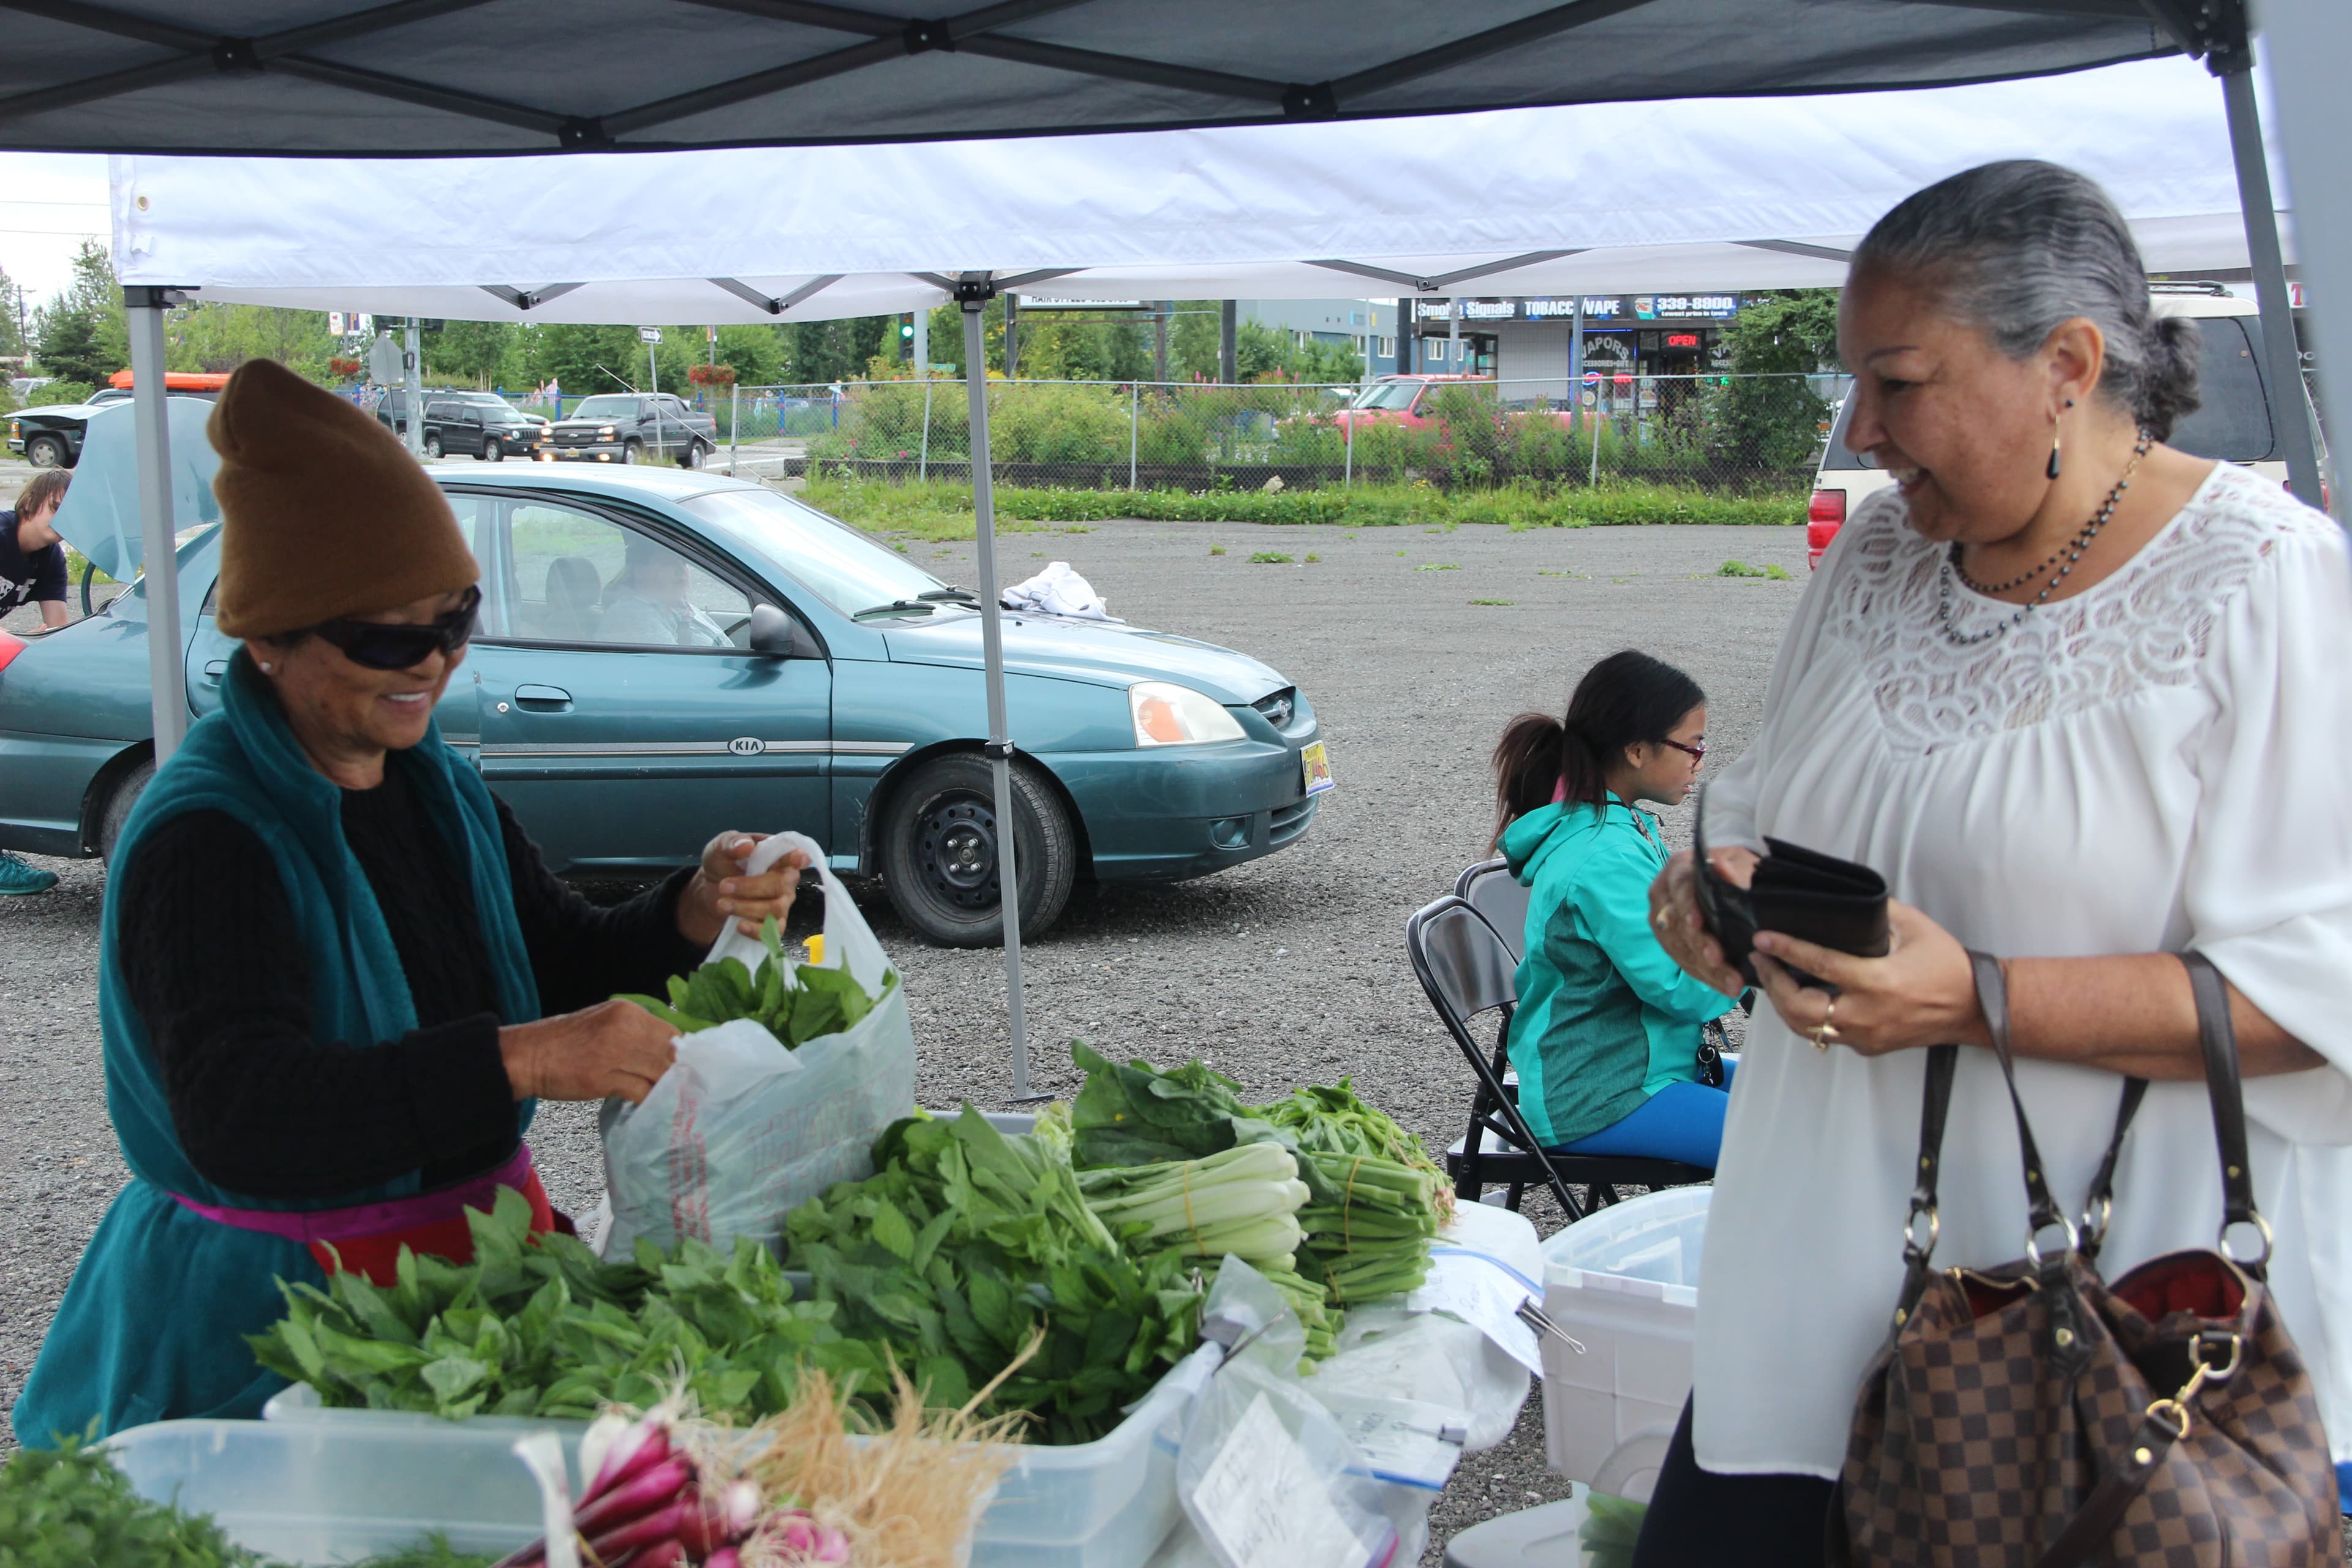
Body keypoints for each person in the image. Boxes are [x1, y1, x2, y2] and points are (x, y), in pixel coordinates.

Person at [1638, 160, 2352, 1566]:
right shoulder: (1882, 560)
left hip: (2107, 1350)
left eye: (1896, 381)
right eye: (1856, 382)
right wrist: (1712, 894)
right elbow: (1765, 806)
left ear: (2068, 367)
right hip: (1810, 1293)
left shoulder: (2267, 583)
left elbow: (2319, 993)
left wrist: (1978, 994)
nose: (1861, 425)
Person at [11, 360, 809, 1446]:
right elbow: (243, 1114)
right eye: (388, 637)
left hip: (464, 1282)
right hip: (274, 1323)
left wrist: (694, 908)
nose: (431, 663)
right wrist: (521, 1061)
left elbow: (562, 960)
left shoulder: (435, 784)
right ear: (268, 640)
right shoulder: (208, 836)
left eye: (454, 622)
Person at [1491, 650, 1741, 1169]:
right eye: (1691, 747)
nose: (1699, 761)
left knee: (1808, 1102)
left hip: (1643, 1068)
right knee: (1793, 1141)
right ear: (1636, 751)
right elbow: (1679, 986)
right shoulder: (1604, 857)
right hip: (1600, 1095)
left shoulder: (1618, 826)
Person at [0, 469, 73, 895]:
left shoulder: (50, 559)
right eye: (57, 507)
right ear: (32, 503)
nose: (63, 518)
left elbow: (58, 629)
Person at [600, 533, 718, 646]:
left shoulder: (683, 609)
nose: (680, 569)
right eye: (668, 563)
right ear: (640, 572)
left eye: (684, 562)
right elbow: (675, 665)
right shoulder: (632, 618)